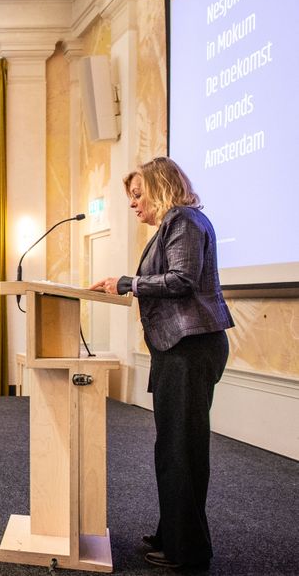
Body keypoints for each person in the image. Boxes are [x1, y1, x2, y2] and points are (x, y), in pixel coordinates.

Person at [90, 156, 234, 570]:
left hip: (190, 348)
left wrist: (128, 283)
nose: (133, 204)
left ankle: (186, 551)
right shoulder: (177, 223)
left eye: (138, 194)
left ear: (161, 185)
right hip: (180, 348)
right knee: (174, 446)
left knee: (181, 449)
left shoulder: (184, 220)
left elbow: (182, 279)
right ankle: (175, 531)